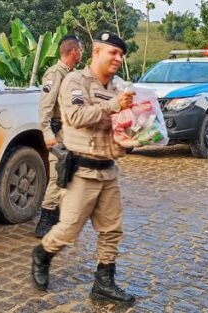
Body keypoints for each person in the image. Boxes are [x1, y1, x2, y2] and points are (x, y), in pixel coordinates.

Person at [31, 31, 136, 304]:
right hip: (81, 171)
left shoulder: (117, 87)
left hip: (108, 169)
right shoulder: (75, 81)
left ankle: (103, 283)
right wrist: (114, 106)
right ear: (96, 52)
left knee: (112, 229)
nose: (118, 58)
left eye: (121, 54)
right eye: (113, 52)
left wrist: (132, 137)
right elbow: (77, 117)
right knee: (68, 229)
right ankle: (42, 254)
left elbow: (118, 125)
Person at [35, 35, 83, 238]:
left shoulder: (74, 75)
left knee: (71, 175)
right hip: (57, 132)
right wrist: (47, 134)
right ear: (73, 51)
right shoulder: (55, 74)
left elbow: (78, 103)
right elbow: (45, 107)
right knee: (57, 175)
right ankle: (45, 222)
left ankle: (62, 218)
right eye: (80, 50)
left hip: (71, 131)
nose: (82, 53)